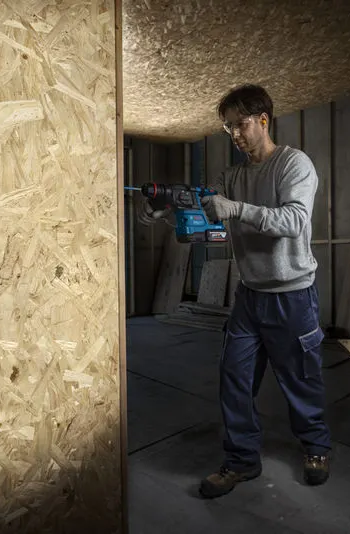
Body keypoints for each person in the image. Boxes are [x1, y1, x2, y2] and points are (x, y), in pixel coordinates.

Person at [136, 84, 331, 499]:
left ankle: (316, 447)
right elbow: (207, 224)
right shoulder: (232, 176)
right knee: (234, 378)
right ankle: (242, 460)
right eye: (227, 128)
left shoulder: (294, 165)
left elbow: (295, 221)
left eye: (240, 124)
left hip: (293, 294)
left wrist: (237, 209)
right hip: (250, 296)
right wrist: (164, 212)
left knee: (300, 379)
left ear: (263, 119)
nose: (235, 135)